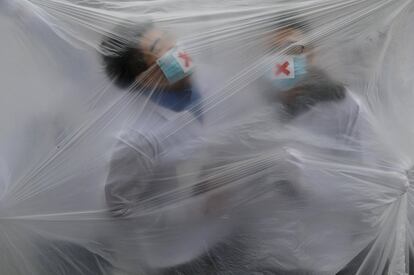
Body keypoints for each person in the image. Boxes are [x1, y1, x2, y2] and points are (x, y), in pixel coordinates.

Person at [100, 21, 231, 274]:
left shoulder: (204, 80)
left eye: (170, 38)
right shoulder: (136, 139)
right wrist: (198, 206)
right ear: (146, 76)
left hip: (217, 233)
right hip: (172, 255)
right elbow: (119, 210)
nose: (177, 47)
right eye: (162, 48)